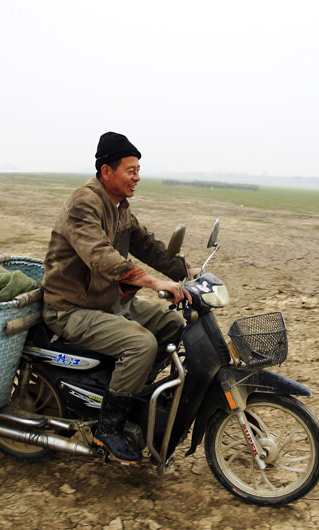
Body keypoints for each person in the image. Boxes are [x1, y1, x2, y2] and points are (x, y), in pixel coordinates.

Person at [41, 132, 194, 464]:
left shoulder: (119, 206)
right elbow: (100, 256)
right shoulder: (85, 203)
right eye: (131, 170)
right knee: (141, 345)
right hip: (72, 308)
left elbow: (143, 243)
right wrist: (154, 282)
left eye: (139, 170)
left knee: (172, 323)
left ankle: (134, 391)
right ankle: (108, 429)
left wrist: (185, 271)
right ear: (106, 171)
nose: (137, 177)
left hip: (106, 301)